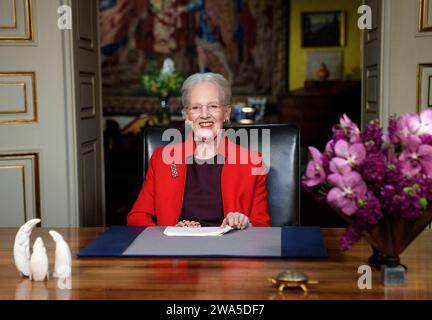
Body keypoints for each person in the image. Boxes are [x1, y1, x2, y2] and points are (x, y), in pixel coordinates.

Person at [127, 72, 271, 229]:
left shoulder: (252, 163)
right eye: (196, 107)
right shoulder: (162, 159)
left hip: (229, 249)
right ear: (186, 115)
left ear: (226, 113)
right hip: (177, 249)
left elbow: (263, 225)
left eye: (213, 106)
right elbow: (137, 216)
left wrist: (246, 224)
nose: (204, 115)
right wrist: (170, 232)